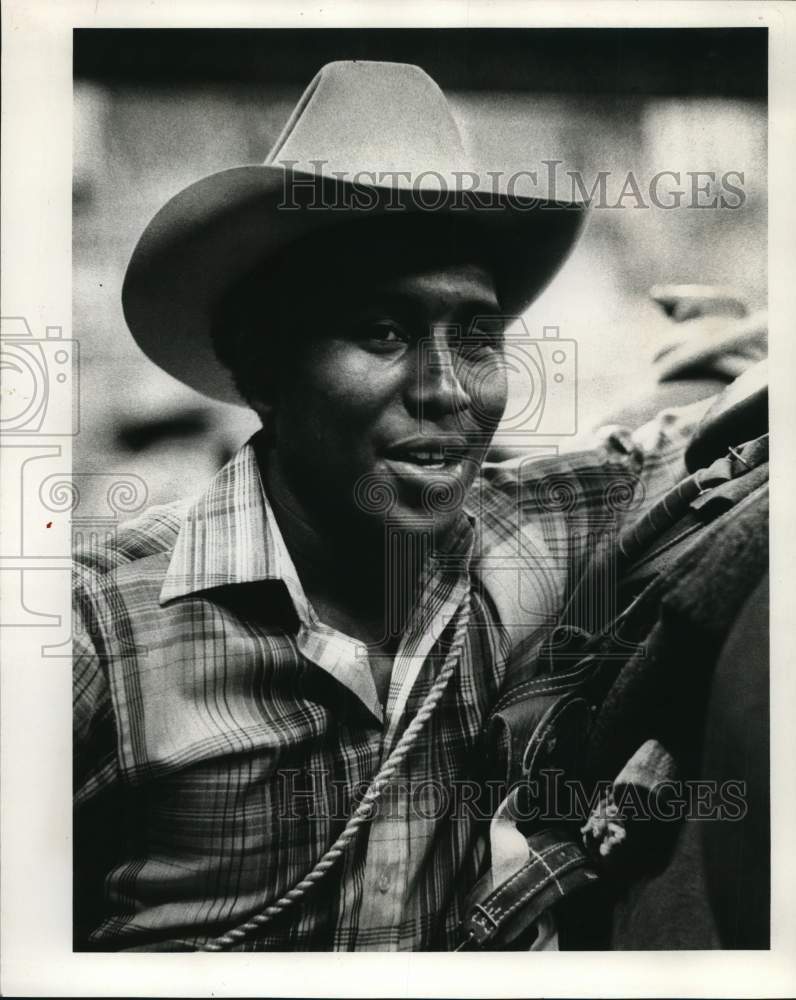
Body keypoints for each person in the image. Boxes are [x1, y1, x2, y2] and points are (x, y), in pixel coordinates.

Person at [73, 60, 701, 951]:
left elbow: (689, 451)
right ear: (262, 368)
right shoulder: (97, 625)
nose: (448, 390)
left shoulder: (518, 537)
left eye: (479, 340)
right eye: (382, 332)